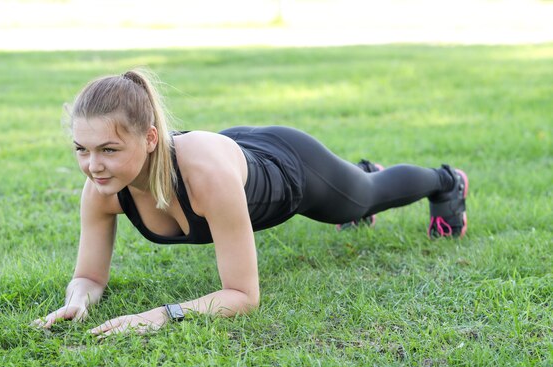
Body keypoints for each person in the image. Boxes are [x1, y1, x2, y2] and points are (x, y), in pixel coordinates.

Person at [34, 69, 468, 337]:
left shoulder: (205, 179)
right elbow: (89, 276)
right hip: (232, 150)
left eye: (108, 150)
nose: (93, 166)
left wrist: (160, 316)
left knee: (362, 198)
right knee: (358, 191)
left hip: (289, 165)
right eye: (81, 150)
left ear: (149, 139)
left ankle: (446, 183)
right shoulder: (101, 191)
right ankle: (364, 173)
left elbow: (242, 295)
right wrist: (78, 300)